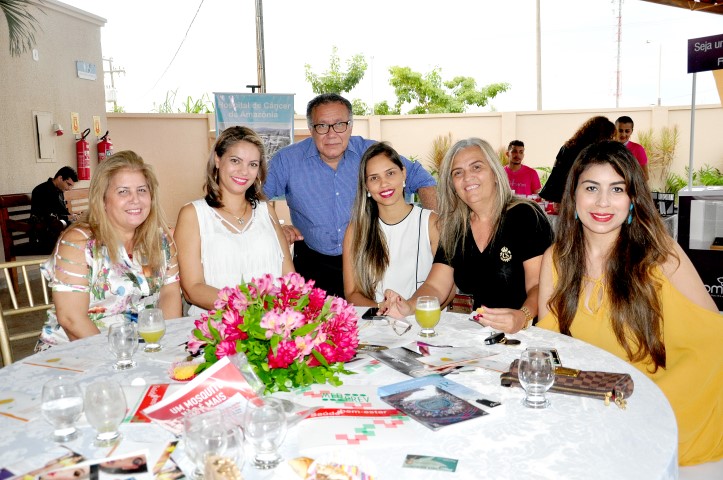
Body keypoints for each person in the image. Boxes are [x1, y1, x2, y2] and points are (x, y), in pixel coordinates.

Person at [537, 141, 722, 466]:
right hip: (593, 405)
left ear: (633, 198)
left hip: (666, 407)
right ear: (574, 195)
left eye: (617, 189)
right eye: (591, 188)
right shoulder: (557, 258)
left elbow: (713, 339)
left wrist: (648, 405)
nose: (603, 201)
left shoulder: (660, 255)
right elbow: (550, 345)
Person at [264, 93, 437, 297]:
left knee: (374, 316)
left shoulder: (371, 153)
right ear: (311, 129)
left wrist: (432, 235)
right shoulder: (287, 160)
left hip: (368, 260)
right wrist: (274, 228)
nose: (331, 134)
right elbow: (254, 200)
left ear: (351, 126)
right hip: (312, 262)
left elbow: (423, 181)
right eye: (322, 126)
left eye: (340, 124)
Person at [381, 138, 553, 334]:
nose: (467, 177)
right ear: (452, 184)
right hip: (481, 336)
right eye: (458, 172)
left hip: (529, 335)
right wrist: (408, 306)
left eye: (476, 167)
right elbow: (436, 285)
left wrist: (523, 316)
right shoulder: (456, 227)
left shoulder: (525, 216)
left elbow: (539, 285)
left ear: (495, 173)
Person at [36, 151, 181, 349]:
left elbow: (169, 294)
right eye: (123, 191)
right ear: (103, 199)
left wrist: (165, 346)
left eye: (141, 190)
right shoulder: (78, 243)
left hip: (142, 346)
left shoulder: (161, 241)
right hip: (79, 350)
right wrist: (120, 355)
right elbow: (71, 319)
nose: (135, 199)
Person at [175, 126, 294, 316]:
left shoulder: (266, 211)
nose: (244, 171)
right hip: (215, 328)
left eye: (252, 164)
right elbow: (192, 288)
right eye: (235, 161)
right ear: (217, 159)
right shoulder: (193, 214)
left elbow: (289, 278)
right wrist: (248, 308)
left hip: (271, 325)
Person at [343, 142, 439, 306]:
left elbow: (447, 289)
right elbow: (352, 293)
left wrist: (407, 309)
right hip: (377, 319)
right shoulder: (356, 230)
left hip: (423, 318)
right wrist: (382, 308)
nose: (384, 183)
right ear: (366, 186)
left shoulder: (432, 223)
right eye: (374, 178)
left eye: (390, 173)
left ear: (403, 173)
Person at [539, 116, 615, 204]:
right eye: (610, 136)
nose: (610, 140)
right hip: (580, 196)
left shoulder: (567, 147)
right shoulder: (594, 152)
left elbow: (555, 173)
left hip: (562, 196)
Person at [29, 166, 79, 253]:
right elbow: (46, 217)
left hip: (56, 230)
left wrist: (75, 216)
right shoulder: (41, 190)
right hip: (43, 235)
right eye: (68, 184)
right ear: (60, 178)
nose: (69, 189)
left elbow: (61, 213)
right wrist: (69, 217)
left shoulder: (58, 191)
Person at [615, 115, 649, 181]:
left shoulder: (638, 149)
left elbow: (645, 176)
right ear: (615, 130)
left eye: (627, 131)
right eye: (620, 131)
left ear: (631, 131)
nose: (623, 134)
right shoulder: (608, 148)